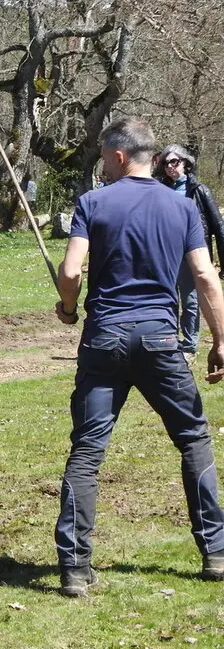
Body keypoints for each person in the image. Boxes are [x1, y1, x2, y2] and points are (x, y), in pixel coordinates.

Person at [54, 117, 224, 598]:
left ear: (120, 155)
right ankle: (216, 553)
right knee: (193, 439)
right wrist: (220, 339)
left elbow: (71, 271)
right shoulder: (181, 207)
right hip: (160, 340)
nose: (102, 165)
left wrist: (68, 306)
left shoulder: (92, 203)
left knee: (88, 450)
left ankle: (74, 568)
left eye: (103, 156)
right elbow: (205, 277)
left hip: (104, 339)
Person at [156, 144, 224, 363]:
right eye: (166, 163)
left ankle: (189, 344)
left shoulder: (199, 190)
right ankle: (169, 340)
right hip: (165, 253)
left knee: (190, 300)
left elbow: (218, 227)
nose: (170, 166)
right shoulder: (158, 189)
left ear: (186, 163)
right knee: (167, 298)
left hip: (192, 253)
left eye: (174, 162)